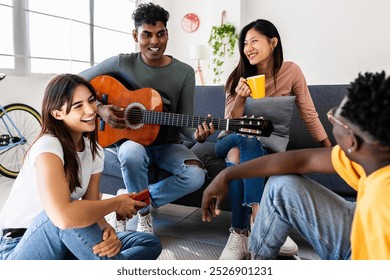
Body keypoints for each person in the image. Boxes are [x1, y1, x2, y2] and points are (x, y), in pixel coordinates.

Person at [202, 71, 390, 260]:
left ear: (353, 140)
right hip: (359, 219)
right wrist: (227, 175)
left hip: (363, 252)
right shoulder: (369, 154)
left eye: (334, 119)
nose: (331, 120)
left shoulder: (381, 204)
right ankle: (258, 258)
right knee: (282, 184)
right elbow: (304, 160)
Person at [79, 3, 214, 234]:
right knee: (131, 152)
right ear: (135, 35)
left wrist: (199, 135)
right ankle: (143, 214)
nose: (154, 42)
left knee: (195, 175)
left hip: (168, 145)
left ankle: (130, 200)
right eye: (147, 35)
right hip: (131, 143)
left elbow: (186, 126)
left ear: (167, 34)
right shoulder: (121, 63)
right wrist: (100, 108)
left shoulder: (184, 73)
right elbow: (76, 80)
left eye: (160, 34)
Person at [0, 74, 162, 260]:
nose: (91, 110)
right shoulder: (48, 146)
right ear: (57, 114)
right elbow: (62, 217)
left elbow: (92, 205)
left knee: (149, 242)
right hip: (19, 246)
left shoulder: (95, 152)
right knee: (61, 215)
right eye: (78, 106)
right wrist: (116, 203)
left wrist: (106, 231)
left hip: (66, 237)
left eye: (91, 101)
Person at [213, 19, 331, 260]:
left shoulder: (291, 71)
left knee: (240, 152)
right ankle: (260, 221)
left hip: (263, 147)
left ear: (273, 42)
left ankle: (240, 234)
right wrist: (240, 98)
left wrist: (329, 149)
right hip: (229, 138)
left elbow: (309, 113)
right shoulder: (238, 76)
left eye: (254, 41)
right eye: (245, 43)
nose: (248, 48)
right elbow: (228, 122)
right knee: (244, 138)